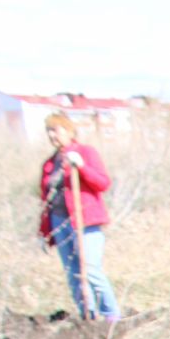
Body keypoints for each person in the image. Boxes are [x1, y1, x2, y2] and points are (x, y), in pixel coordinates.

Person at [37, 113, 121, 323]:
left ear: (69, 131)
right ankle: (88, 317)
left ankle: (111, 316)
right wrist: (44, 232)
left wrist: (81, 167)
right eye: (49, 130)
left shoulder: (85, 153)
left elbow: (102, 183)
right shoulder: (49, 164)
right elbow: (46, 200)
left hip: (85, 221)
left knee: (91, 270)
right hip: (60, 221)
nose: (52, 135)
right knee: (73, 273)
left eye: (55, 130)